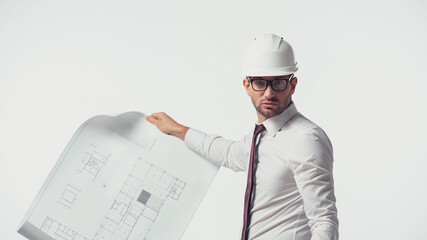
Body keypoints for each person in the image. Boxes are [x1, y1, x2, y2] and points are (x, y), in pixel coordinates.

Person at [146, 33, 338, 240]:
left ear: (293, 85)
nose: (269, 93)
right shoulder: (261, 137)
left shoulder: (305, 139)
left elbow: (323, 220)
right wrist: (177, 129)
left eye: (279, 83)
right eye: (260, 83)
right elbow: (230, 153)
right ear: (247, 86)